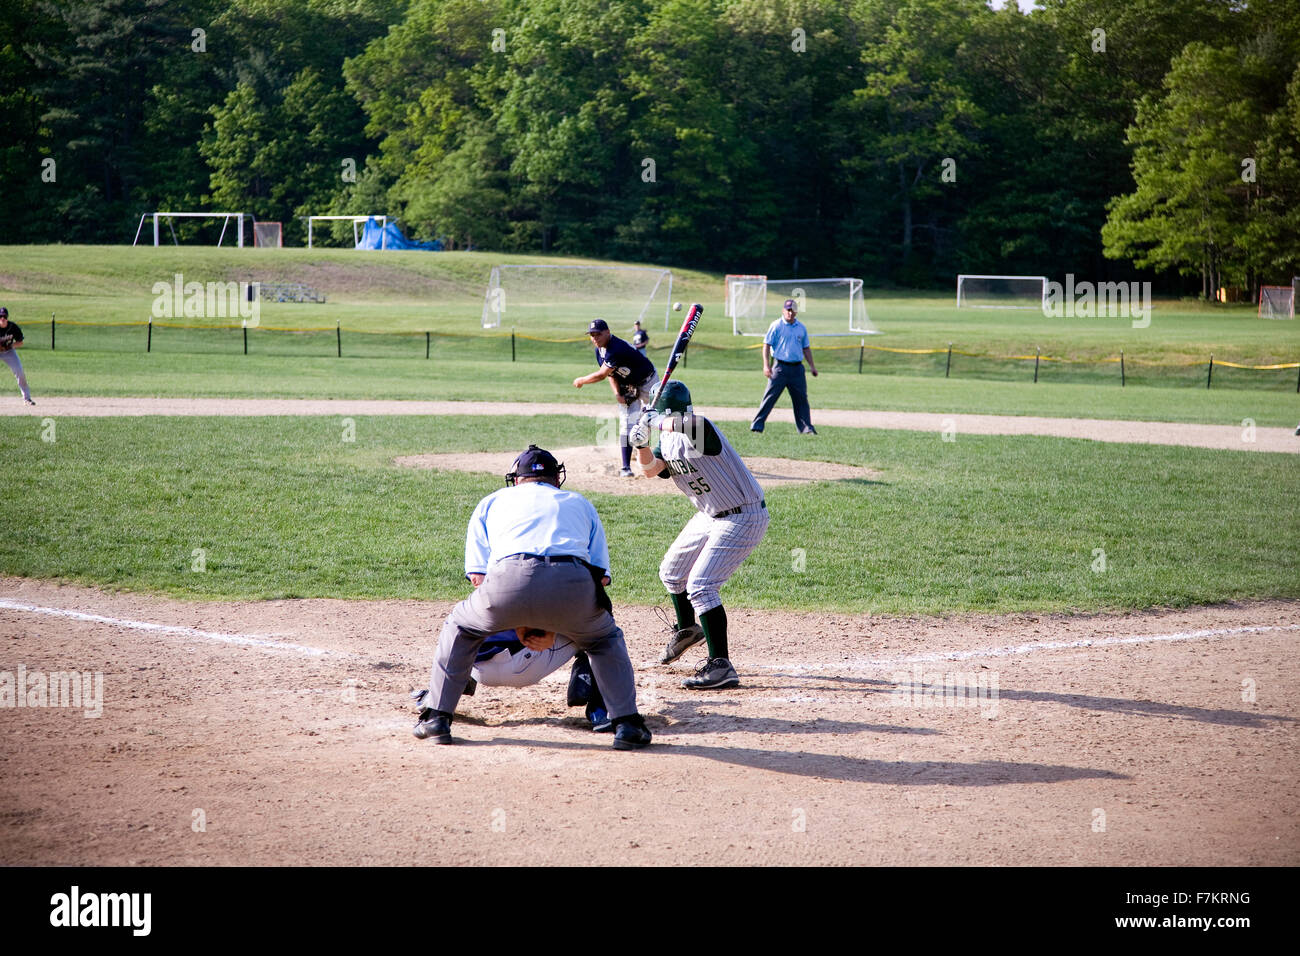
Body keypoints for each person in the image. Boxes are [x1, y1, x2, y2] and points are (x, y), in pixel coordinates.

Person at [413, 444, 651, 749]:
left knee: (462, 626)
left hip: (506, 581)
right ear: (556, 478)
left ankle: (436, 717)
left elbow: (479, 579)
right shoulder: (579, 502)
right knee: (603, 638)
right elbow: (601, 577)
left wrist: (521, 617)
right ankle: (626, 724)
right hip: (573, 582)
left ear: (516, 478)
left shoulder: (491, 501)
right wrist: (552, 620)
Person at [631, 381, 769, 690]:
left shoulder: (699, 427)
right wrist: (640, 445)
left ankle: (721, 666)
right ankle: (688, 629)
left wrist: (652, 421)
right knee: (671, 572)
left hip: (743, 515)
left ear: (663, 411)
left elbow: (686, 424)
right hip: (710, 514)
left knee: (702, 586)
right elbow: (651, 470)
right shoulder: (667, 439)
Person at [412, 632, 613, 731]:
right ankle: (600, 711)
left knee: (462, 625)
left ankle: (438, 695)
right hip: (524, 664)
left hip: (475, 665)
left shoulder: (498, 566)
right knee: (598, 631)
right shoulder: (562, 569)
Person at [572, 318, 657, 477]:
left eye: (598, 334)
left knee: (655, 417)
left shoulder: (616, 347)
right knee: (627, 424)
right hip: (627, 386)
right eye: (592, 335)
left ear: (607, 332)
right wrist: (617, 394)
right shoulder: (599, 351)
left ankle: (654, 453)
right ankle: (626, 467)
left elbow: (601, 375)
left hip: (648, 381)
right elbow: (611, 374)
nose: (595, 338)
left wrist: (581, 380)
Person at [750, 298, 817, 434]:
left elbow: (806, 348)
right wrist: (766, 365)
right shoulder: (776, 325)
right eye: (788, 310)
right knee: (770, 397)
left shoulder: (801, 328)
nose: (790, 313)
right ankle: (757, 426)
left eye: (793, 310)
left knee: (801, 400)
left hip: (797, 369)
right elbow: (766, 345)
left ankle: (806, 428)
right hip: (780, 368)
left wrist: (812, 366)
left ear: (796, 312)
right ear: (783, 310)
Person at [0, 307, 35, 406]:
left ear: (7, 317)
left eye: (4, 316)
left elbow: (20, 342)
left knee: (19, 372)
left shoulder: (13, 327)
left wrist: (10, 346)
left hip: (9, 352)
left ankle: (27, 399)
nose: (2, 318)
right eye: (0, 316)